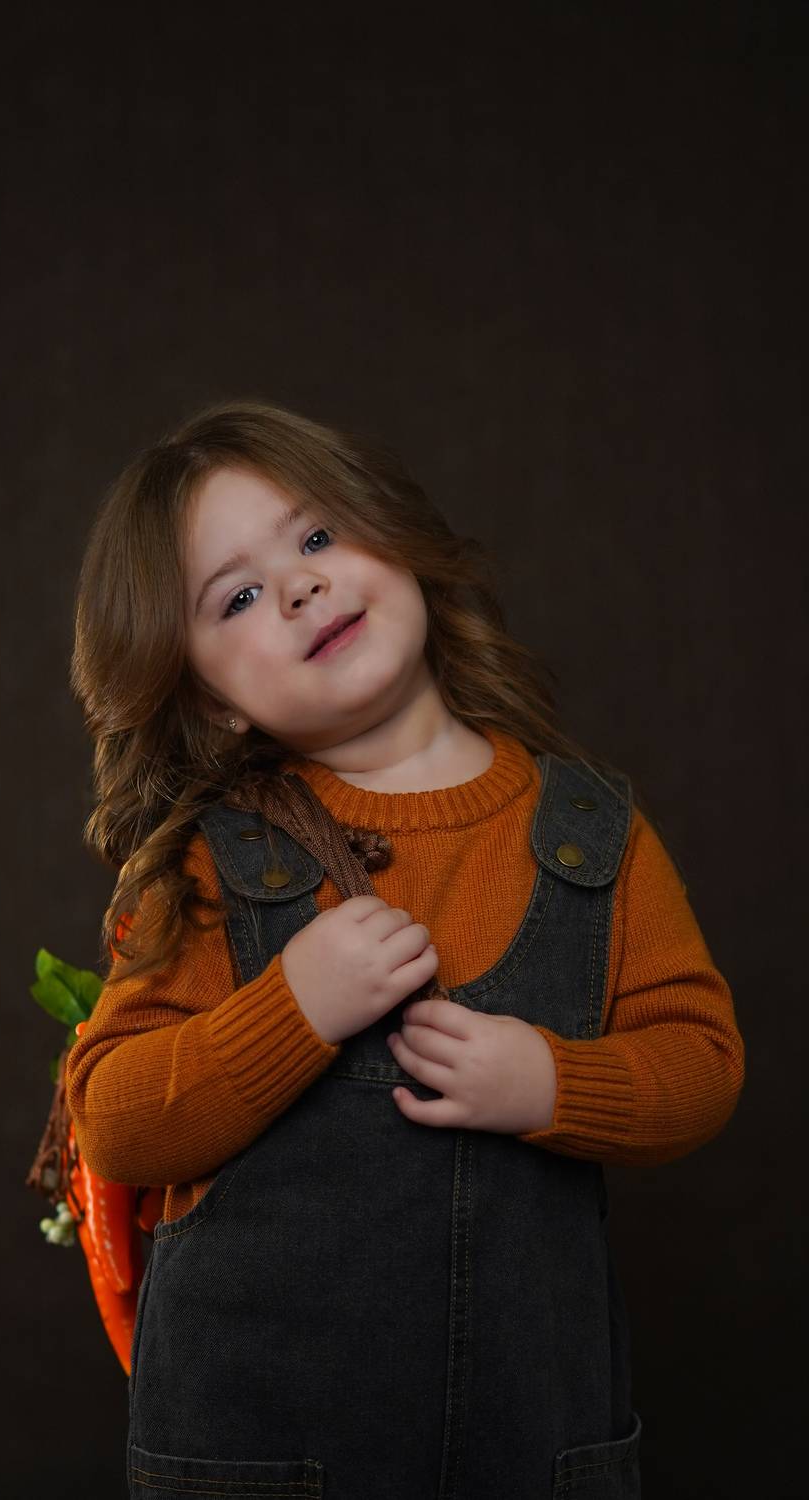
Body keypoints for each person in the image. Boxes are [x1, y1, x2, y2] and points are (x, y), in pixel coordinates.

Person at [65, 398, 744, 1499]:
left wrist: (549, 1083)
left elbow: (702, 1062)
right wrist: (290, 1011)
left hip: (530, 1450)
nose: (298, 587)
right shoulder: (210, 863)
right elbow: (113, 1117)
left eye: (316, 535)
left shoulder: (590, 832)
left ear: (395, 537)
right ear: (211, 701)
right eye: (238, 597)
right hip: (260, 1460)